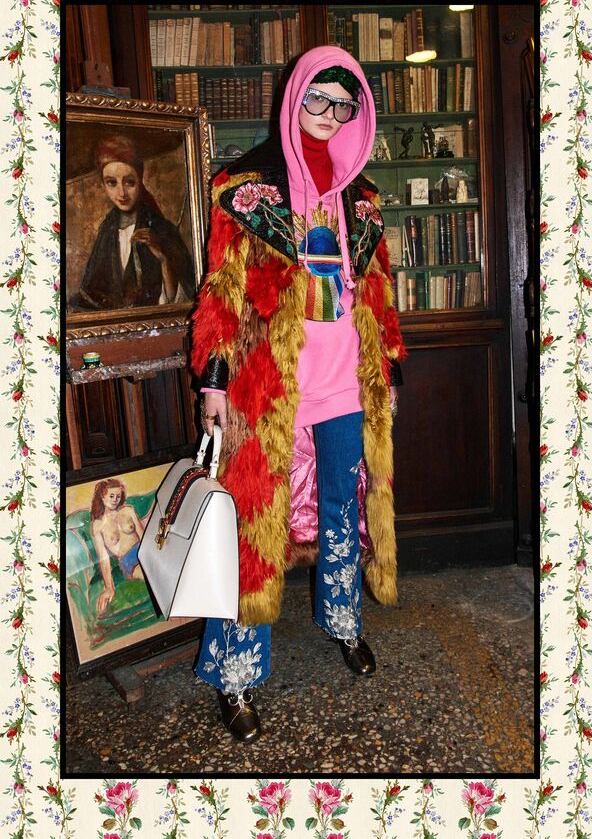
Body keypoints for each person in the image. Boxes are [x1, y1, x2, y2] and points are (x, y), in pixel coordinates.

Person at [190, 45, 407, 743]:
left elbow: (378, 292)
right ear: (294, 96)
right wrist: (214, 380)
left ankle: (343, 621)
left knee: (344, 507)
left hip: (346, 382)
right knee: (254, 524)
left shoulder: (362, 198)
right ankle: (236, 673)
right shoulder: (244, 188)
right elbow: (221, 289)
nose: (329, 114)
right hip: (268, 383)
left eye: (344, 104)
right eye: (318, 97)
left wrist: (388, 370)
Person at [73, 134, 195, 310]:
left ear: (140, 179)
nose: (122, 193)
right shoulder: (106, 231)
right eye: (112, 183)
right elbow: (91, 295)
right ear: (103, 185)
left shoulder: (163, 230)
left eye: (129, 182)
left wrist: (163, 260)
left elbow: (181, 301)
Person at [90, 478, 145, 614]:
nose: (115, 500)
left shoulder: (128, 510)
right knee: (148, 574)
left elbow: (143, 536)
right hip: (128, 560)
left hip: (142, 550)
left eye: (118, 496)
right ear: (102, 497)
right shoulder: (98, 525)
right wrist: (109, 587)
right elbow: (104, 559)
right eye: (111, 496)